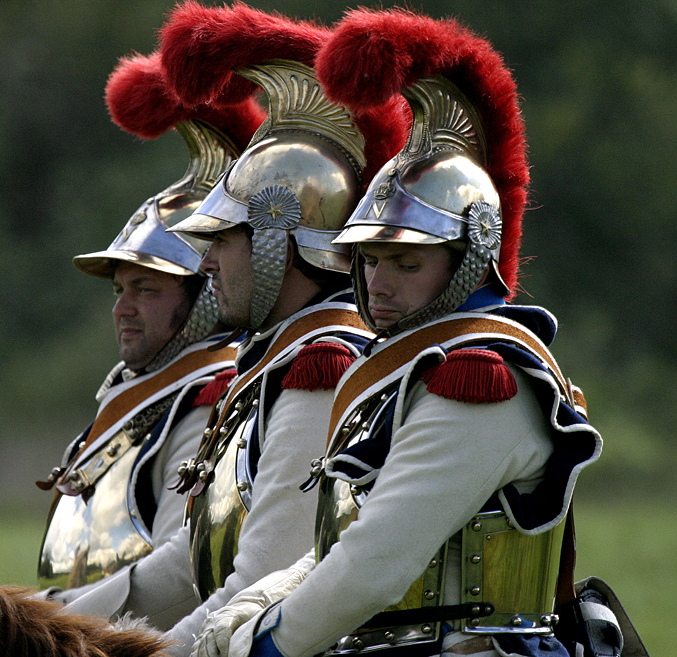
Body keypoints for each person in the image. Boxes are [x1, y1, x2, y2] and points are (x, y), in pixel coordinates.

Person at [190, 10, 611, 657]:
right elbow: (338, 550)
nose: (379, 283)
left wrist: (257, 647)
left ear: (470, 257)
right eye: (371, 259)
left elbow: (373, 565)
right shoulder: (409, 372)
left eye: (407, 262)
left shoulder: (480, 381)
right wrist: (244, 615)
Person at [56, 3, 406, 655]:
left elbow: (259, 585)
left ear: (278, 239)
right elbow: (205, 567)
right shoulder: (279, 365)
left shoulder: (318, 366)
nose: (207, 261)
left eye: (224, 240)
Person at [34, 51, 265, 593]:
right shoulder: (138, 401)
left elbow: (180, 572)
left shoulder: (201, 404)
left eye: (145, 288)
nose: (123, 307)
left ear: (204, 293)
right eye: (119, 289)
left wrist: (50, 621)